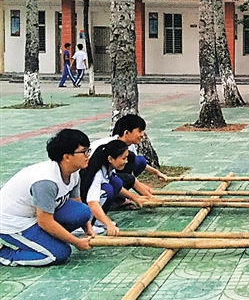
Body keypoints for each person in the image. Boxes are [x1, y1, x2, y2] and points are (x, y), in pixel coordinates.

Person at [0, 129, 93, 266]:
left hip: (36, 215)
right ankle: (5, 254)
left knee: (82, 212)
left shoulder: (73, 173)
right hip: (13, 222)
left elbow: (76, 203)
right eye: (84, 151)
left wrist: (88, 229)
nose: (88, 155)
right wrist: (76, 242)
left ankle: (46, 240)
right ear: (67, 156)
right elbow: (44, 221)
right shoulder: (46, 182)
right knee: (59, 254)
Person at [80, 140, 149, 236]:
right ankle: (88, 223)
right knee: (107, 189)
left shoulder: (108, 168)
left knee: (116, 182)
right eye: (123, 158)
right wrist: (108, 224)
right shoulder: (96, 174)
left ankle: (98, 219)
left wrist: (135, 197)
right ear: (110, 159)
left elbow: (119, 188)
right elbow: (92, 203)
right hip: (83, 208)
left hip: (88, 204)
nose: (126, 161)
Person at [90, 114, 168, 199]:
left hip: (109, 175)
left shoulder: (129, 145)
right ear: (126, 133)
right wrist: (146, 196)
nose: (142, 135)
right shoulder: (111, 147)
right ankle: (116, 200)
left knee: (138, 161)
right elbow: (114, 179)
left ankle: (119, 198)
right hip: (93, 177)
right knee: (120, 182)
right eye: (139, 131)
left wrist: (156, 173)